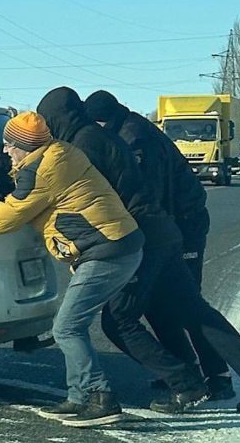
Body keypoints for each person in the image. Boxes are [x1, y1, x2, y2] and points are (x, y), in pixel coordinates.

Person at [39, 88, 240, 414]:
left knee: (119, 321)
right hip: (164, 232)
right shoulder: (108, 135)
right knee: (191, 310)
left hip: (148, 237)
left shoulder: (88, 145)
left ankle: (187, 384)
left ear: (58, 118)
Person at [0, 111, 143, 427]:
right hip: (114, 245)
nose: (5, 150)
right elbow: (26, 189)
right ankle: (78, 397)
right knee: (73, 325)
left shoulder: (43, 169)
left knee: (66, 327)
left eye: (9, 144)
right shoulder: (57, 154)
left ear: (24, 145)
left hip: (107, 252)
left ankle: (101, 398)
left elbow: (12, 213)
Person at [84, 90, 232, 400]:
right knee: (159, 302)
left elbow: (151, 194)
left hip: (184, 223)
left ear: (101, 120)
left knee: (189, 305)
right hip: (171, 226)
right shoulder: (127, 127)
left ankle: (218, 377)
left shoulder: (135, 139)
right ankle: (184, 370)